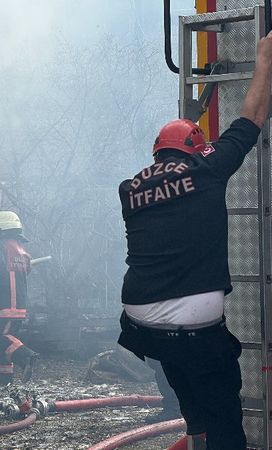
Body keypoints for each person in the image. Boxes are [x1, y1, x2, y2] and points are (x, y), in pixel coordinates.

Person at [117, 31, 272, 449]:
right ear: (197, 149)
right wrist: (264, 58)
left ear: (157, 153)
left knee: (183, 378)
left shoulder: (129, 189)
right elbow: (252, 117)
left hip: (141, 323)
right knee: (225, 412)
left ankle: (195, 431)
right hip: (196, 328)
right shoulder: (208, 169)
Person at [0, 210, 39, 385]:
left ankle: (26, 357)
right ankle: (3, 378)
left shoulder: (1, 246)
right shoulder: (20, 249)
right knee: (5, 339)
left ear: (2, 229)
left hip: (5, 303)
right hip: (19, 304)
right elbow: (27, 269)